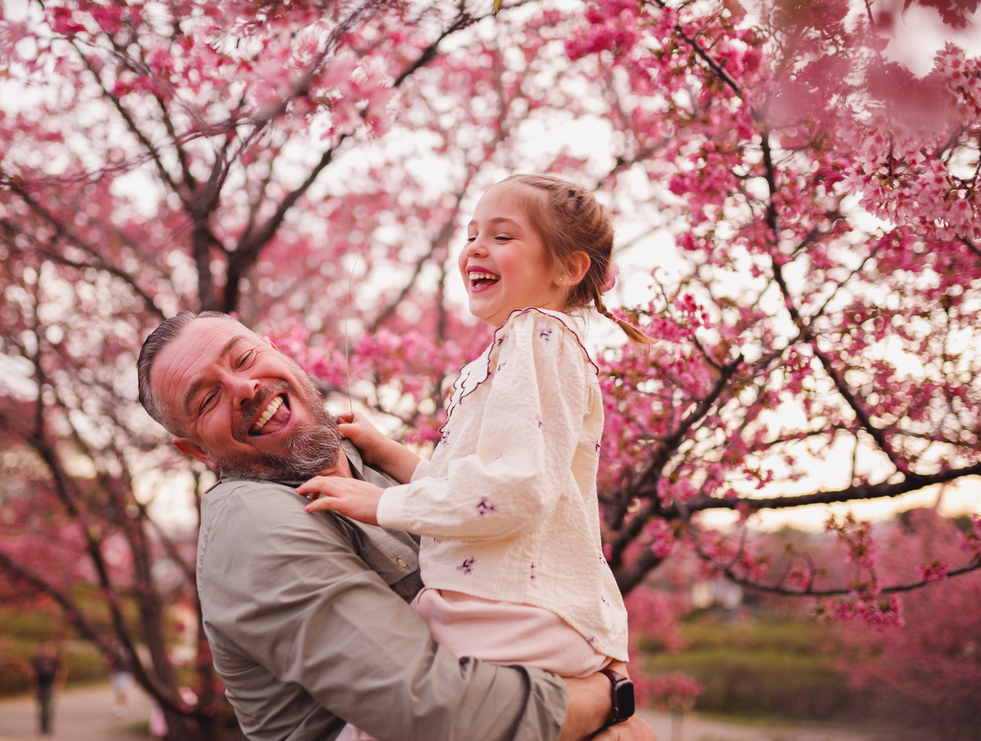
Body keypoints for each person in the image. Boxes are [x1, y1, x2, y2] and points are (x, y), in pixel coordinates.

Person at [137, 309, 655, 741]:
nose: (244, 386)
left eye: (245, 357)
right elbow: (429, 704)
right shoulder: (249, 518)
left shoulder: (375, 466)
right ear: (195, 450)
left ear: (277, 350)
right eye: (206, 399)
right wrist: (607, 698)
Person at [296, 175, 653, 741]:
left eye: (503, 237)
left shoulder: (541, 336)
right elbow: (472, 486)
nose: (476, 249)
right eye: (470, 235)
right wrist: (387, 451)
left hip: (516, 612)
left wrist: (383, 503)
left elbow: (518, 491)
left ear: (568, 269)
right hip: (493, 609)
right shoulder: (515, 346)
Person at [29, 642, 66, 735]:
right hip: (40, 686)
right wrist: (33, 686)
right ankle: (43, 727)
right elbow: (32, 673)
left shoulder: (55, 660)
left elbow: (61, 671)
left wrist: (59, 683)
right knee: (42, 708)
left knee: (49, 707)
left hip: (50, 686)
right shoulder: (38, 661)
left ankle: (48, 727)